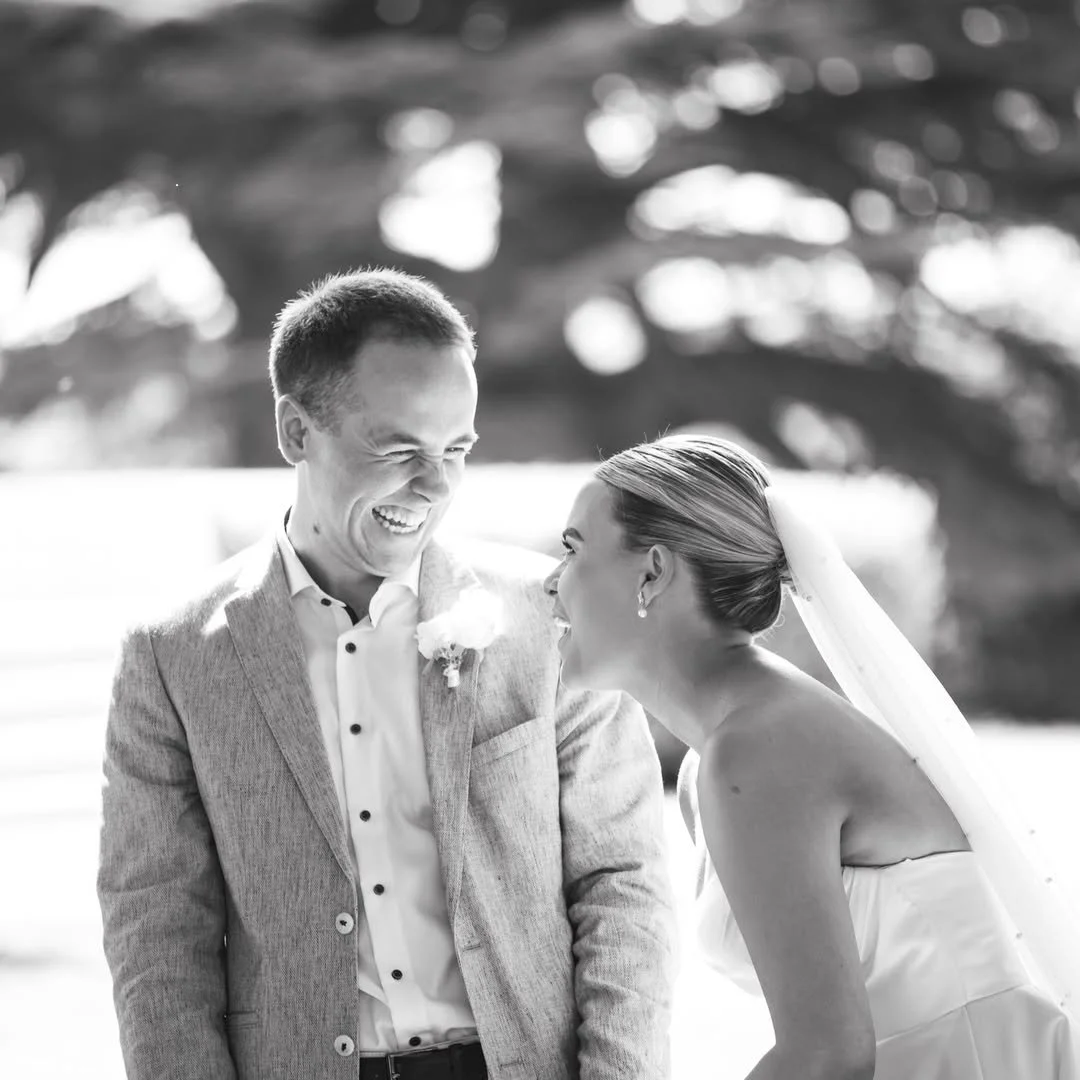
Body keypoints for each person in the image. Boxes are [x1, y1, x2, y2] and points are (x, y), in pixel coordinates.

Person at [97, 268, 677, 1080]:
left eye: (457, 450)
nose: (435, 486)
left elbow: (623, 883)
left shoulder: (549, 622)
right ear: (296, 431)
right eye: (399, 449)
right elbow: (156, 932)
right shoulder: (174, 657)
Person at [544, 432, 1080, 1080]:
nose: (551, 583)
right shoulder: (714, 760)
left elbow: (826, 1055)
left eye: (572, 551)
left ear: (652, 572)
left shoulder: (758, 749)